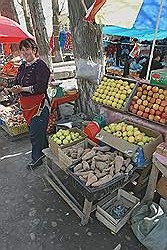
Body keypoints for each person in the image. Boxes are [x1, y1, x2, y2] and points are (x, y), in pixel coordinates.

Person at [9, 38, 51, 169]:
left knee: (34, 134)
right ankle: (46, 152)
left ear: (34, 50)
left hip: (39, 105)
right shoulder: (22, 66)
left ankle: (36, 159)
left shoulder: (41, 66)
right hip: (26, 106)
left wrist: (22, 89)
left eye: (27, 49)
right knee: (39, 132)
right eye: (22, 50)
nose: (25, 52)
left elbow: (40, 87)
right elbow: (17, 81)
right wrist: (14, 88)